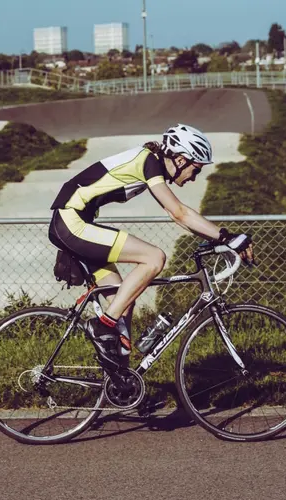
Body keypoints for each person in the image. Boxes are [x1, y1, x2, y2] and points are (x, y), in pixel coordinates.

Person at [48, 124, 255, 372]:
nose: (193, 177)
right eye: (195, 169)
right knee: (154, 257)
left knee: (124, 302)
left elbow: (179, 217)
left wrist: (215, 238)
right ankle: (102, 324)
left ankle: (122, 385)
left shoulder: (149, 162)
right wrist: (226, 237)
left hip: (76, 223)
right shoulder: (149, 162)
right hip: (72, 222)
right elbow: (178, 212)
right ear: (180, 159)